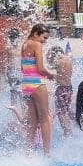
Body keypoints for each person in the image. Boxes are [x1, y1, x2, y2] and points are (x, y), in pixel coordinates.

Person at [21, 24, 56, 155]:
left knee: (33, 120)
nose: (44, 41)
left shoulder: (24, 44)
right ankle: (47, 154)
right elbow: (40, 68)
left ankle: (28, 152)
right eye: (44, 38)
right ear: (36, 33)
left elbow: (22, 68)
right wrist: (50, 75)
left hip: (26, 85)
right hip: (37, 84)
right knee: (45, 119)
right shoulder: (36, 45)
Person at [47, 45, 73, 137]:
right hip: (69, 89)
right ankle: (70, 128)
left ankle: (67, 132)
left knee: (61, 113)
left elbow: (49, 67)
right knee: (66, 110)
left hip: (61, 90)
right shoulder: (68, 59)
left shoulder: (58, 62)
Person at [5, 28, 23, 106]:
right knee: (15, 93)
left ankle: (20, 114)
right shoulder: (9, 49)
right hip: (13, 73)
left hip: (17, 73)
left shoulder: (22, 49)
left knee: (18, 94)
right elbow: (6, 64)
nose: (12, 40)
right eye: (11, 38)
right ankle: (16, 114)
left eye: (13, 38)